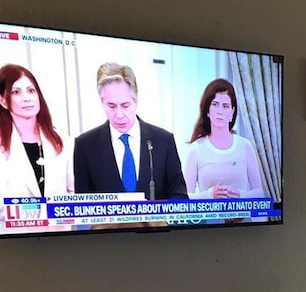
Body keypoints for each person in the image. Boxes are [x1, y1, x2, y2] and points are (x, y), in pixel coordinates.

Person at [74, 62, 187, 200]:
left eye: (125, 105)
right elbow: (82, 207)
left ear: (136, 100)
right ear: (101, 102)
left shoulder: (163, 141)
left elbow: (180, 197)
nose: (119, 114)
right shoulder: (85, 146)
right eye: (111, 106)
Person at [0, 64, 74, 209]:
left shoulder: (62, 139)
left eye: (31, 91)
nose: (27, 98)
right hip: (16, 231)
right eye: (16, 92)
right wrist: (38, 210)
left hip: (60, 230)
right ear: (3, 101)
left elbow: (73, 191)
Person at [185, 78, 264, 203]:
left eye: (225, 106)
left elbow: (260, 193)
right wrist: (209, 195)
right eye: (215, 104)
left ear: (232, 111)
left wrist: (240, 195)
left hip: (244, 221)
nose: (220, 111)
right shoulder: (197, 149)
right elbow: (185, 197)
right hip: (209, 221)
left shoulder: (245, 146)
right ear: (207, 110)